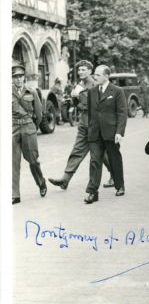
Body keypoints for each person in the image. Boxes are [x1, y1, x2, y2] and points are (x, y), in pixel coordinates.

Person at [48, 60, 114, 191]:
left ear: (90, 71)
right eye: (79, 70)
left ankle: (115, 174)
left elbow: (95, 104)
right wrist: (74, 96)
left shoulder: (95, 84)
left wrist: (79, 93)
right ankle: (65, 179)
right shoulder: (80, 84)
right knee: (77, 149)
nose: (80, 72)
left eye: (84, 69)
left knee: (102, 153)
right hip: (84, 121)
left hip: (96, 121)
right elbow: (77, 103)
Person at [84, 65, 127, 204]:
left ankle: (120, 185)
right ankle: (92, 192)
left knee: (114, 159)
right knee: (95, 161)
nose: (94, 77)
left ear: (106, 76)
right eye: (94, 75)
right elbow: (91, 113)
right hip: (95, 133)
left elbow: (122, 113)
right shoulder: (91, 92)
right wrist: (90, 129)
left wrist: (119, 132)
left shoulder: (117, 91)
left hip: (111, 133)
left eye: (97, 75)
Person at [12, 64, 47, 204]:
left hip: (28, 127)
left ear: (24, 78)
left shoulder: (31, 92)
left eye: (20, 76)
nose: (18, 79)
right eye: (15, 77)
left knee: (33, 159)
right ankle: (15, 194)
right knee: (13, 162)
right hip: (13, 127)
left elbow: (39, 113)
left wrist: (33, 127)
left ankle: (41, 182)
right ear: (12, 79)